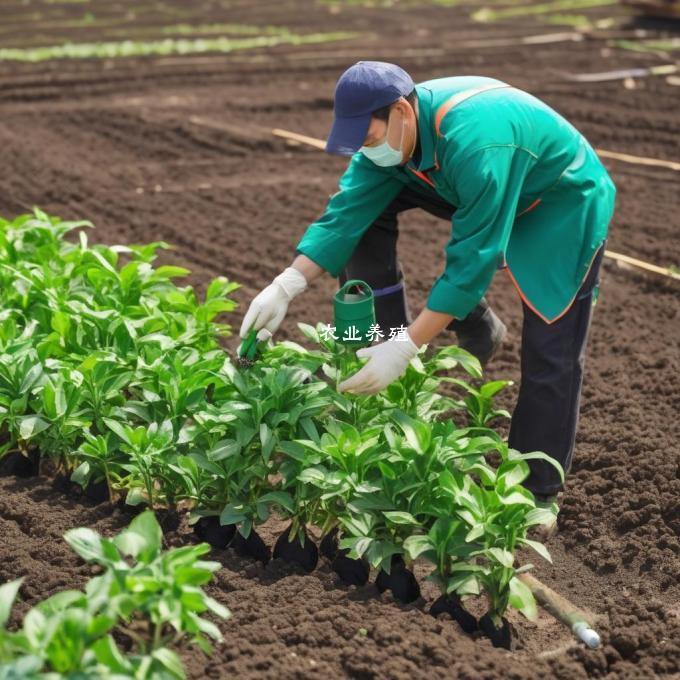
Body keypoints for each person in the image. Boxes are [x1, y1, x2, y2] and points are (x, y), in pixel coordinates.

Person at [239, 61, 616, 534]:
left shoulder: (479, 143)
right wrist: (285, 285)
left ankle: (535, 489)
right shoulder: (392, 142)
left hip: (558, 201)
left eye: (369, 137)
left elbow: (472, 262)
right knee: (364, 221)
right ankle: (402, 339)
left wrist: (408, 348)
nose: (365, 148)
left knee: (551, 348)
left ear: (401, 110)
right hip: (458, 178)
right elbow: (343, 217)